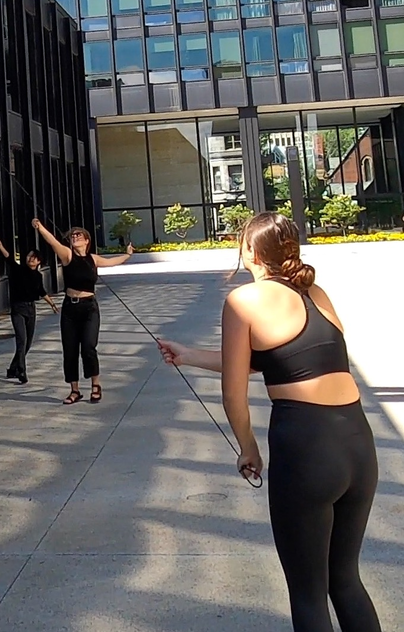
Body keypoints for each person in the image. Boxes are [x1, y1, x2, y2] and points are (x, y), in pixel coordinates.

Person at [158, 211, 382, 632]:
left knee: (308, 593)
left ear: (251, 251)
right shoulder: (314, 293)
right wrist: (188, 355)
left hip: (307, 449)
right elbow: (278, 360)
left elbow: (234, 393)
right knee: (345, 580)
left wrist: (248, 447)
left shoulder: (243, 301)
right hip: (357, 445)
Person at [32, 219, 133, 405]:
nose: (75, 237)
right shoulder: (67, 255)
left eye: (79, 235)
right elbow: (52, 241)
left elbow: (111, 262)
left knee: (88, 347)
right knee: (70, 350)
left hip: (89, 308)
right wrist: (40, 228)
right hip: (70, 308)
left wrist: (127, 255)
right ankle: (75, 390)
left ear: (87, 240)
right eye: (73, 235)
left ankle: (96, 384)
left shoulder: (93, 259)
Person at [0, 238, 58, 384]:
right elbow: (9, 259)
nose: (30, 259)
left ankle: (12, 369)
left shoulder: (38, 276)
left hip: (31, 309)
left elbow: (41, 291)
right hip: (18, 308)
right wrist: (1, 247)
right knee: (21, 340)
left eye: (33, 257)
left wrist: (52, 304)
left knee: (28, 343)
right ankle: (21, 370)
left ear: (38, 261)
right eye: (29, 256)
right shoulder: (19, 270)